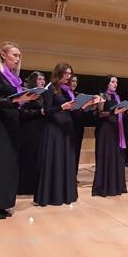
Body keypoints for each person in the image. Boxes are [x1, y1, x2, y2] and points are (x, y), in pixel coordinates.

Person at [0, 42, 39, 220]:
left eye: (19, 56)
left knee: (8, 166)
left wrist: (26, 99)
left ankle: (2, 204)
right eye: (14, 55)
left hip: (12, 123)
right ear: (3, 55)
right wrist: (15, 101)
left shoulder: (14, 77)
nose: (17, 59)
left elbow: (13, 100)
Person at [35, 63, 79, 206]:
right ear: (59, 73)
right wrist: (61, 107)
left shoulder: (64, 90)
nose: (68, 77)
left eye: (70, 74)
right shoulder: (49, 89)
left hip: (65, 129)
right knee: (55, 161)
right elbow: (47, 110)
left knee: (64, 161)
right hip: (54, 130)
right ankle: (51, 196)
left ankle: (65, 194)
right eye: (66, 74)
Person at [94, 76, 128, 197]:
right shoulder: (102, 95)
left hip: (116, 130)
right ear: (107, 84)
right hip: (106, 130)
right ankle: (104, 187)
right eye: (112, 82)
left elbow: (120, 115)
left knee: (117, 158)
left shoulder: (117, 97)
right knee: (107, 157)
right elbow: (100, 114)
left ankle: (115, 186)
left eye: (116, 82)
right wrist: (114, 112)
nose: (115, 84)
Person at [17, 71, 47, 196]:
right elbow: (22, 113)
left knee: (37, 158)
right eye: (39, 79)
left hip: (40, 129)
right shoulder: (27, 94)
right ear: (33, 81)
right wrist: (40, 112)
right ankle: (24, 187)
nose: (42, 81)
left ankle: (35, 187)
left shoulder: (43, 95)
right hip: (29, 130)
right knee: (28, 157)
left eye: (43, 79)